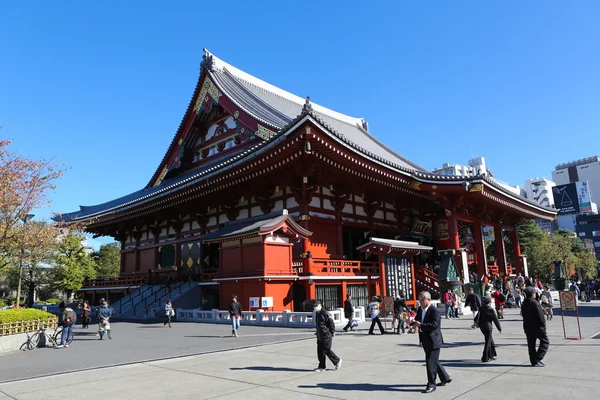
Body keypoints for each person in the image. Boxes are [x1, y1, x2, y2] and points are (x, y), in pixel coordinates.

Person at [413, 291, 451, 394]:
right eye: (419, 299)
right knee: (434, 361)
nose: (420, 302)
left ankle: (431, 384)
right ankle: (445, 377)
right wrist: (413, 322)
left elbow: (434, 325)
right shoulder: (421, 310)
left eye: (422, 299)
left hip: (434, 340)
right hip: (425, 340)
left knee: (430, 362)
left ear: (428, 300)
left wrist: (420, 325)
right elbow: (418, 319)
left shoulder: (435, 311)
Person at [521, 287, 549, 367]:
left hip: (528, 327)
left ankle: (533, 361)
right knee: (545, 341)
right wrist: (543, 325)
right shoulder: (535, 303)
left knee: (531, 344)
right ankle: (538, 357)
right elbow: (540, 316)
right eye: (534, 293)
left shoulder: (524, 304)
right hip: (537, 327)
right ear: (532, 294)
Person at [313, 300, 341, 372]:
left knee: (326, 350)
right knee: (320, 351)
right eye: (314, 306)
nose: (315, 307)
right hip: (320, 335)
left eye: (317, 306)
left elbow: (331, 323)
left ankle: (337, 361)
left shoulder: (325, 313)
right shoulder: (317, 313)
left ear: (320, 305)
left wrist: (332, 332)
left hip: (326, 335)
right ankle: (322, 366)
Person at [477, 296, 502, 362]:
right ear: (489, 302)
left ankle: (491, 355)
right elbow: (495, 320)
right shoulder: (490, 309)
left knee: (490, 340)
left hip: (482, 327)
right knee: (488, 342)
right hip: (488, 327)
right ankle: (485, 357)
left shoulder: (481, 308)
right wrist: (499, 328)